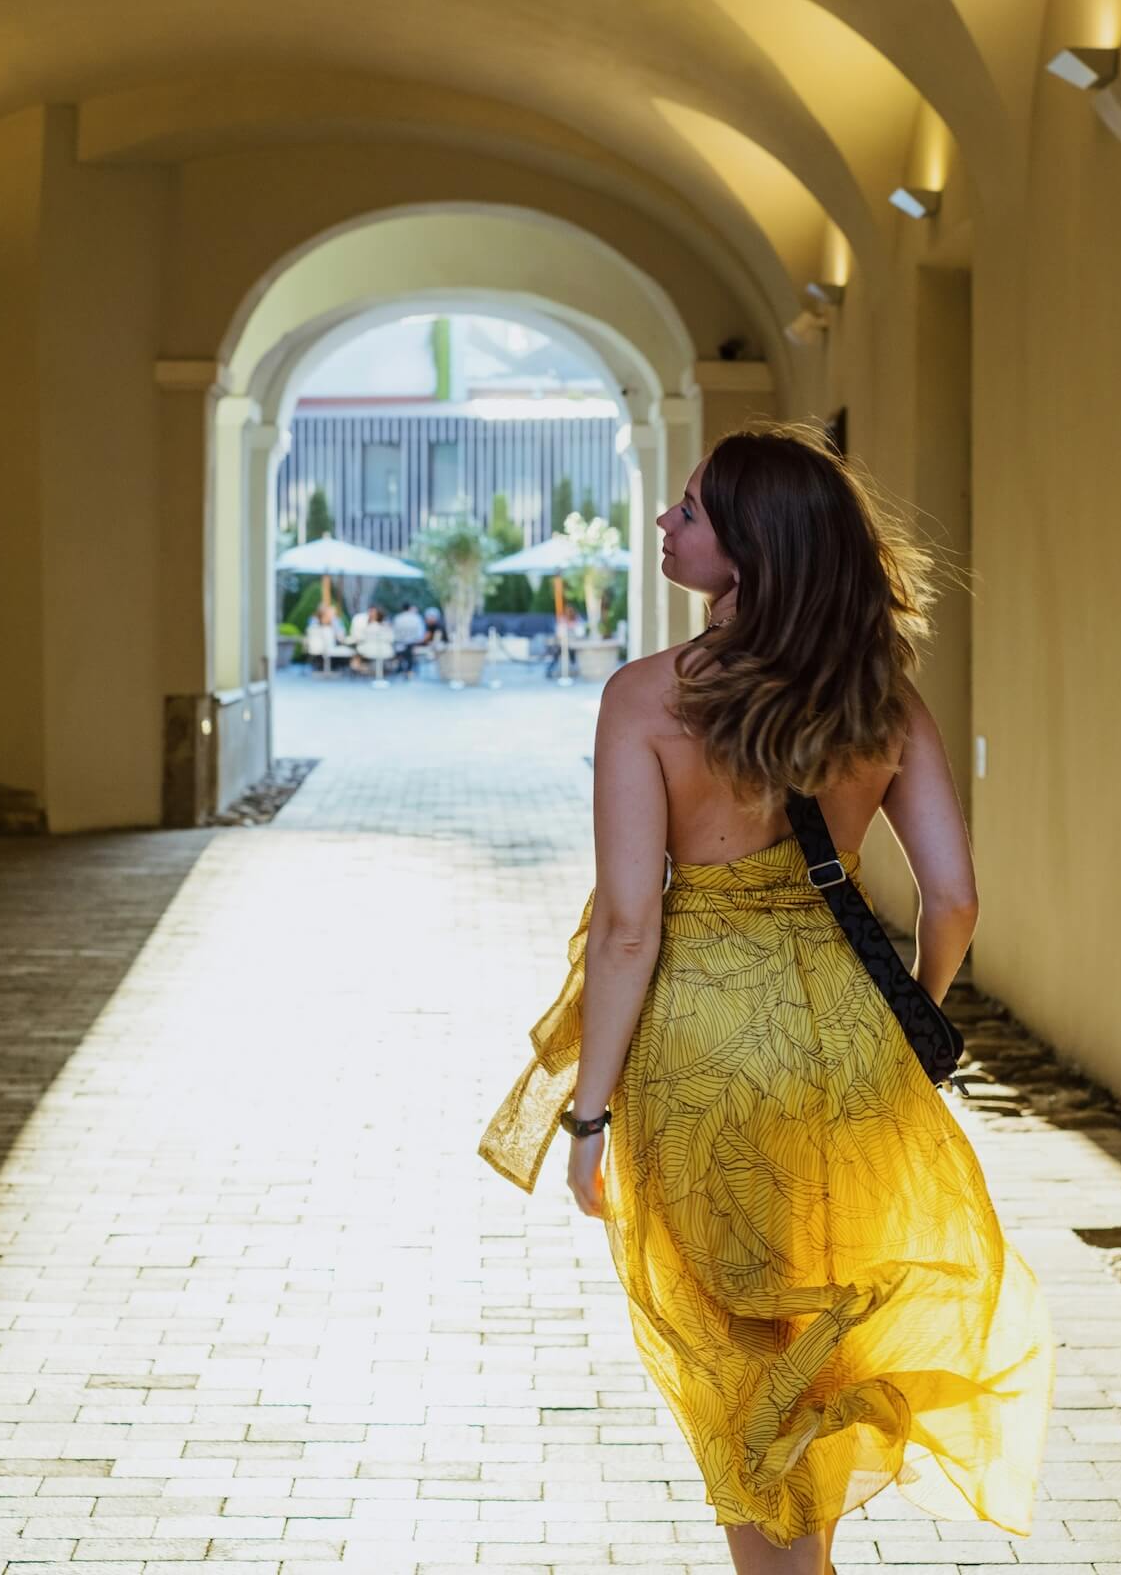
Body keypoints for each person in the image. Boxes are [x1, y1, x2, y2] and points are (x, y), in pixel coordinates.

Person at [479, 424, 1053, 1568]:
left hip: (702, 1055)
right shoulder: (880, 697)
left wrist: (586, 1116)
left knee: (744, 1356)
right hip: (849, 1047)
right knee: (818, 1348)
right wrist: (904, 1024)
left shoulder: (646, 699)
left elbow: (633, 928)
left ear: (746, 552)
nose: (662, 522)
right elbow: (954, 900)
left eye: (687, 510)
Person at [544, 601, 588, 678]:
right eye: (568, 611)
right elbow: (559, 632)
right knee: (557, 650)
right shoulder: (563, 620)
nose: (570, 613)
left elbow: (581, 633)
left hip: (575, 644)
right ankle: (550, 670)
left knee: (571, 652)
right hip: (563, 644)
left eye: (571, 611)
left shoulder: (578, 620)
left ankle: (575, 668)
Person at [391, 600, 428, 677]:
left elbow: (394, 632)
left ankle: (402, 668)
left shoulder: (398, 618)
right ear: (409, 608)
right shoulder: (416, 618)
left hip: (400, 643)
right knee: (409, 651)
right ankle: (409, 670)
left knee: (403, 650)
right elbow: (420, 632)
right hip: (413, 643)